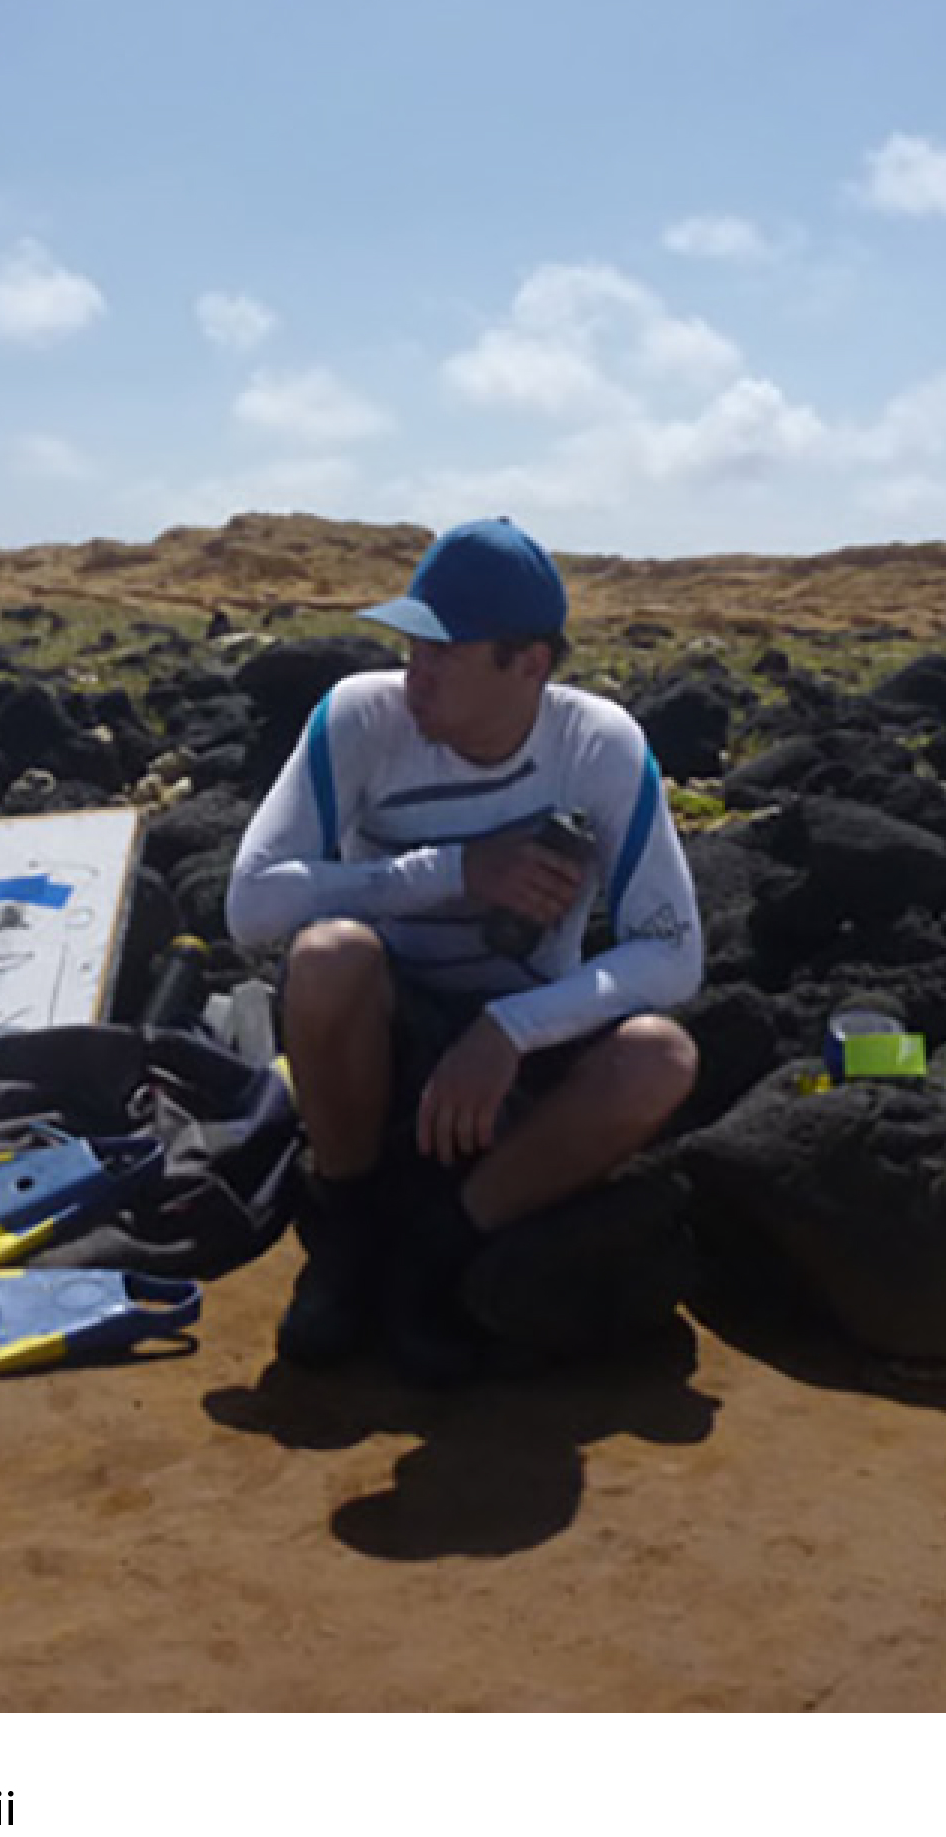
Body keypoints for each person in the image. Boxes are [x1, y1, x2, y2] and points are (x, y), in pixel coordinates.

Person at [225, 517, 704, 1383]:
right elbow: (251, 907)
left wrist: (511, 1029)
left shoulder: (597, 745)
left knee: (659, 1059)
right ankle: (349, 1228)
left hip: (511, 1054)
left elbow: (673, 955)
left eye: (443, 652)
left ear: (529, 665)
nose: (417, 673)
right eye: (412, 646)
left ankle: (437, 1254)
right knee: (329, 957)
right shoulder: (362, 720)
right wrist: (450, 872)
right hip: (387, 1038)